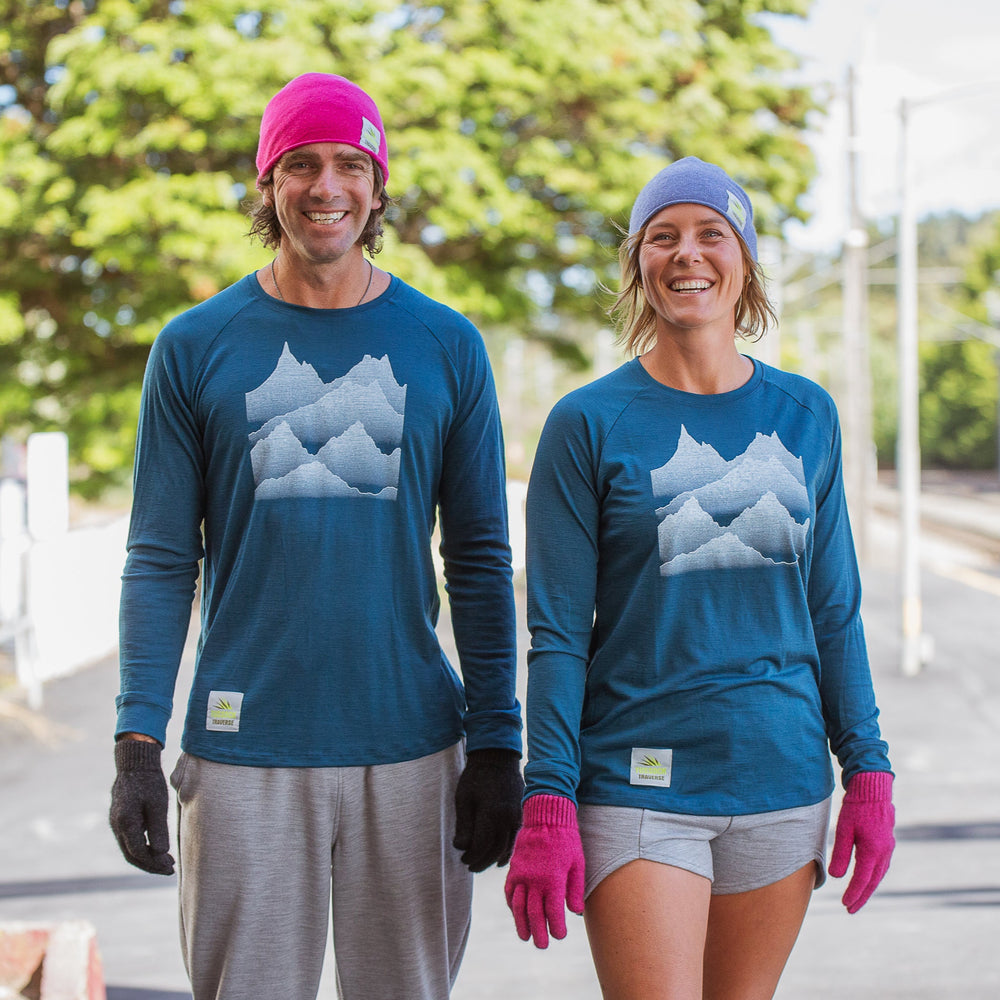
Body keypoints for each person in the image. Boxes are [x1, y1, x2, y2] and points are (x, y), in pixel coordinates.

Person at [108, 72, 523, 1000]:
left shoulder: (446, 344)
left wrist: (498, 741)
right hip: (243, 751)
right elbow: (162, 560)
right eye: (300, 164)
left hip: (413, 747)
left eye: (348, 164)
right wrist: (137, 740)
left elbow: (482, 560)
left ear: (377, 188)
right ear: (268, 184)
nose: (325, 186)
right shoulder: (195, 344)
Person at [504, 157, 894, 999]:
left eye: (712, 234)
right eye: (663, 237)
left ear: (744, 260)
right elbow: (560, 634)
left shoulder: (805, 415)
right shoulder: (588, 424)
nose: (688, 253)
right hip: (640, 787)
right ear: (638, 265)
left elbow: (835, 614)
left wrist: (868, 771)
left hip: (782, 781)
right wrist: (548, 800)